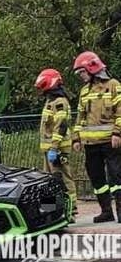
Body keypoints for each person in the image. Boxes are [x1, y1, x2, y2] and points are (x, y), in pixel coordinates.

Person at [71, 51, 121, 223]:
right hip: (90, 144)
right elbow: (80, 117)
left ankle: (120, 211)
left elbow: (120, 111)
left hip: (110, 141)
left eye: (82, 72)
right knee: (96, 177)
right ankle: (106, 211)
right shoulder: (84, 91)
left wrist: (117, 132)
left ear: (92, 68)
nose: (81, 76)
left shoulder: (113, 85)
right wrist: (76, 138)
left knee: (116, 176)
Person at [34, 68, 77, 222]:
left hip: (58, 150)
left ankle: (70, 211)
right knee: (48, 181)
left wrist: (54, 147)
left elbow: (61, 126)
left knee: (64, 179)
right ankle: (49, 212)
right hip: (49, 150)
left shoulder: (60, 102)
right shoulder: (50, 100)